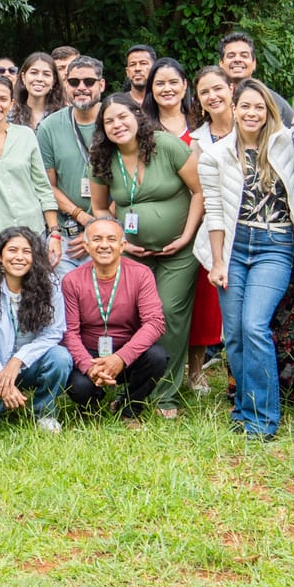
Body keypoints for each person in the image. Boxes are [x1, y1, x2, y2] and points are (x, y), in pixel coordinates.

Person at [198, 81, 294, 440]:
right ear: (234, 108)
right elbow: (214, 210)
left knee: (254, 325)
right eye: (245, 106)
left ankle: (263, 418)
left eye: (259, 107)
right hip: (233, 245)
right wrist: (217, 261)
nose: (251, 113)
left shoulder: (286, 142)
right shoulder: (215, 154)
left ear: (269, 110)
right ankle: (243, 408)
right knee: (234, 334)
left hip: (275, 244)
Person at [90, 94, 203, 412]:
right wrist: (120, 242)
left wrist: (187, 236)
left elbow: (199, 191)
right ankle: (133, 387)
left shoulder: (166, 145)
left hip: (178, 250)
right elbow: (99, 208)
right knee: (130, 315)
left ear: (137, 116)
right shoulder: (102, 157)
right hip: (132, 252)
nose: (117, 125)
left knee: (168, 312)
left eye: (122, 117)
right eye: (109, 121)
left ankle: (165, 394)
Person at [60, 215, 169, 424]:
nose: (104, 245)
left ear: (123, 245)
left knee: (157, 357)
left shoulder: (141, 274)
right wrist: (89, 366)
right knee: (80, 386)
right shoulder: (72, 280)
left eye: (111, 239)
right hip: (90, 353)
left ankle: (129, 408)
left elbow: (155, 322)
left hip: (128, 351)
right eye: (97, 239)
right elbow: (70, 332)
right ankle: (91, 407)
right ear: (86, 245)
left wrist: (120, 358)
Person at [0, 227, 71, 431]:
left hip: (30, 364)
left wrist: (18, 360)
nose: (19, 257)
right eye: (12, 250)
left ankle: (44, 413)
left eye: (26, 251)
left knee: (60, 358)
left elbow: (53, 332)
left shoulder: (49, 285)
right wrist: (0, 374)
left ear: (35, 257)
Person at [182, 63, 236, 385]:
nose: (212, 96)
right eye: (204, 92)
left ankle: (242, 378)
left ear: (231, 89)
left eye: (218, 88)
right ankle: (197, 371)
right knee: (208, 304)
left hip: (250, 226)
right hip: (212, 227)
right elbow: (197, 188)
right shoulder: (197, 138)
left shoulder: (251, 123)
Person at [0, 73, 59, 259]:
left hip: (32, 231)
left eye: (3, 99)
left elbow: (42, 187)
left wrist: (54, 232)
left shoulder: (25, 135)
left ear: (11, 103)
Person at [38, 53, 107, 278]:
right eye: (74, 82)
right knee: (65, 297)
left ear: (101, 85)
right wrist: (82, 217)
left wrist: (98, 227)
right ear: (66, 85)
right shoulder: (49, 127)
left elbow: (129, 181)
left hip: (109, 233)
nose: (81, 88)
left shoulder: (116, 121)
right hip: (67, 234)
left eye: (89, 81)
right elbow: (47, 185)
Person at [219, 30, 285, 116]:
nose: (237, 59)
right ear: (221, 63)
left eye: (244, 56)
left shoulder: (273, 102)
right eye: (231, 56)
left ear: (254, 63)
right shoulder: (213, 100)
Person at [148, 57, 198, 142]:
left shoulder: (200, 121)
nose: (167, 89)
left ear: (185, 84)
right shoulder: (142, 126)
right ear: (151, 87)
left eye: (173, 82)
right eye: (160, 84)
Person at [17, 51, 60, 127]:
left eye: (46, 74)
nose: (39, 79)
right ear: (23, 77)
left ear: (54, 81)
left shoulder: (62, 117)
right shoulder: (9, 115)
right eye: (34, 73)